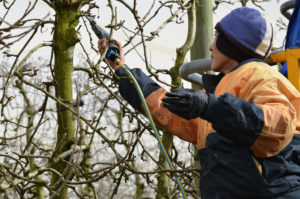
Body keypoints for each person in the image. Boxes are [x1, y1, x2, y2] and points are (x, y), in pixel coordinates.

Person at [98, 7, 300, 199]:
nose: (211, 46)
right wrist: (121, 69)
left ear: (233, 43)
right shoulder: (221, 90)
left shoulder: (259, 75)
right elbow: (166, 110)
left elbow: (280, 124)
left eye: (217, 38)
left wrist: (212, 107)